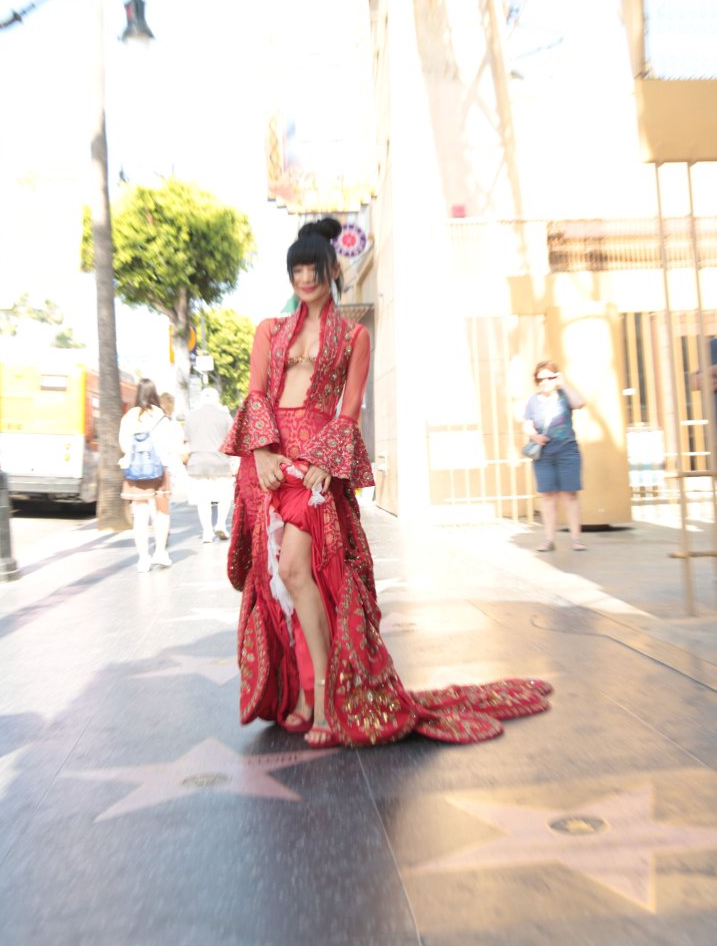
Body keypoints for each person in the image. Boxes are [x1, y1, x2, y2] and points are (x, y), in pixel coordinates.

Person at [222, 217, 551, 748]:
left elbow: (349, 408)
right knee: (281, 584)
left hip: (315, 465)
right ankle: (302, 692)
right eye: (296, 270)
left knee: (298, 571)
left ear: (332, 270)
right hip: (269, 462)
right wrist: (259, 454)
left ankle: (325, 695)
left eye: (313, 269)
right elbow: (257, 393)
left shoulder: (355, 336)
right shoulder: (270, 330)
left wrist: (328, 462)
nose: (304, 279)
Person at [523, 361, 587, 553]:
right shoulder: (533, 401)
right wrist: (534, 436)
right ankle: (549, 539)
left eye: (550, 377)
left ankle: (576, 539)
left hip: (567, 451)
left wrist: (564, 383)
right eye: (541, 379)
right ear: (536, 381)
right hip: (544, 454)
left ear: (556, 377)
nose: (545, 382)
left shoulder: (564, 396)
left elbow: (579, 403)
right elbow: (527, 424)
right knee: (548, 496)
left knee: (570, 494)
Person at [119, 379, 176, 570]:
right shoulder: (160, 416)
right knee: (162, 512)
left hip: (136, 471)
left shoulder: (129, 416)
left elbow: (123, 446)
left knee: (140, 514)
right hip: (158, 469)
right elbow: (169, 444)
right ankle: (160, 553)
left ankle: (143, 559)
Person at [184, 387, 234, 543]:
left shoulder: (191, 417)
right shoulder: (225, 417)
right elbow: (232, 441)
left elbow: (186, 442)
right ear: (217, 399)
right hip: (220, 462)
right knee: (224, 495)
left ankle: (207, 532)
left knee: (203, 499)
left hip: (197, 463)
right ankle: (220, 524)